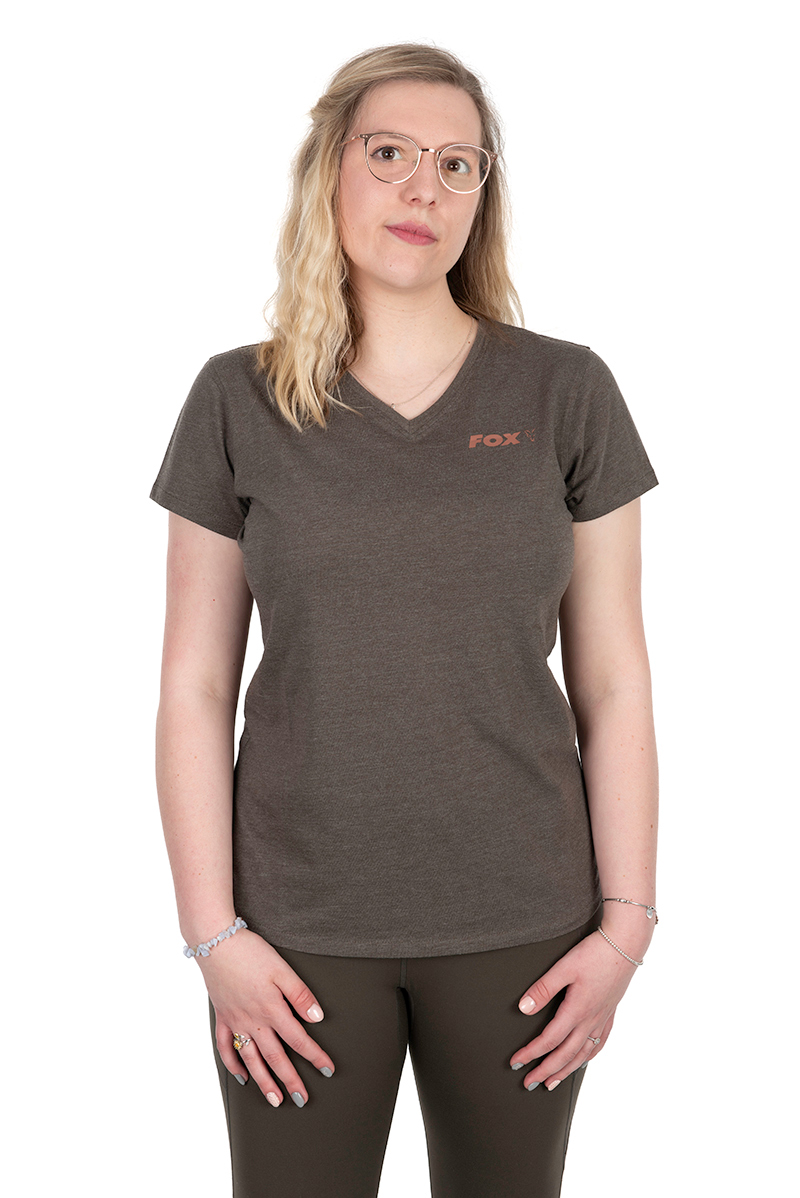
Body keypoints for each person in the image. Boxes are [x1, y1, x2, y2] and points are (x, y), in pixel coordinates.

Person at [150, 42, 659, 1198]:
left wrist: (623, 927)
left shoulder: (564, 392)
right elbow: (192, 685)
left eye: (455, 164)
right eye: (388, 154)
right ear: (328, 170)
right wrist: (213, 935)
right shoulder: (236, 397)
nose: (422, 187)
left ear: (481, 198)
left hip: (524, 924)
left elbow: (614, 681)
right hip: (291, 934)